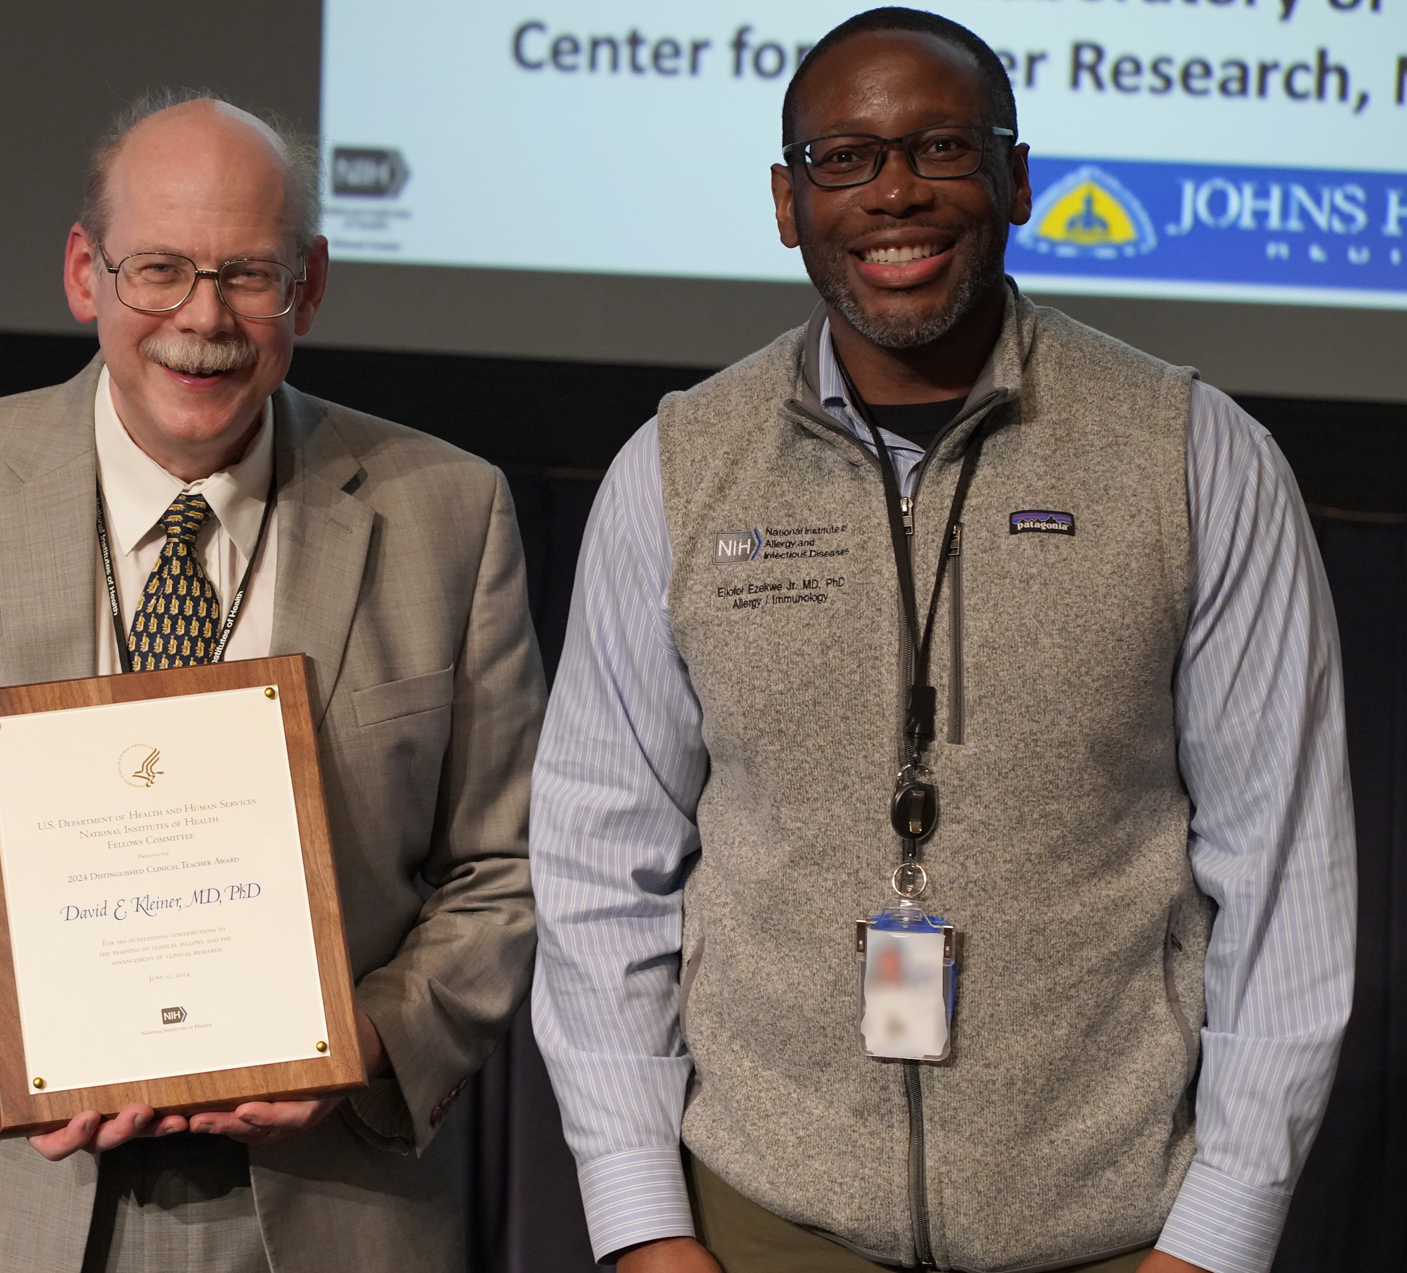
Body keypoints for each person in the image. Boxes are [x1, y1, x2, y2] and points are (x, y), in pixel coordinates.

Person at [529, 10, 1354, 1273]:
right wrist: (641, 1219)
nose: (895, 191)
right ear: (786, 202)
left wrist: (1220, 1234)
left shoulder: (1194, 458)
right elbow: (598, 862)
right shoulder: (679, 471)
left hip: (1113, 1231)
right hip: (758, 1225)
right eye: (843, 160)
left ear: (1017, 180)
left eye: (941, 148)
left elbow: (1286, 874)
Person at [0, 93, 546, 1272]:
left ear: (310, 286)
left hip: (330, 1208)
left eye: (248, 275)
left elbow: (513, 868)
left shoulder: (447, 513)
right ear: (84, 273)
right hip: (3, 1200)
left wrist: (364, 1039)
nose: (203, 320)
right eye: (158, 270)